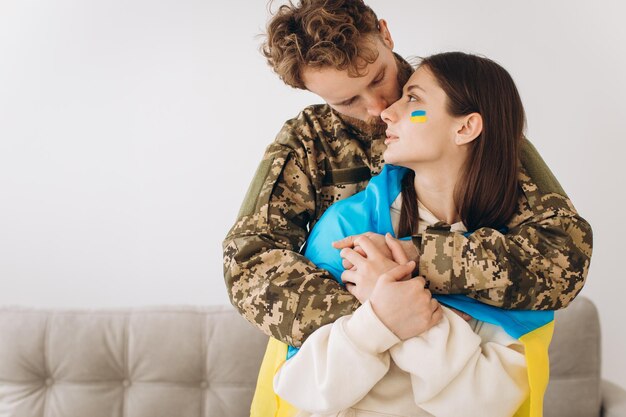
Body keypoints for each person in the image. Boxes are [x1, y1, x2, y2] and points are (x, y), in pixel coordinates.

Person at [222, 0, 592, 348]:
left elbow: (564, 257)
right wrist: (379, 317)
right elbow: (248, 262)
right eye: (348, 101)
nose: (378, 108)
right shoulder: (308, 142)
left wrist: (416, 260)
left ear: (385, 33)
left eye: (378, 77)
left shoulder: (461, 106)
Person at [264, 52, 555, 417]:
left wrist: (403, 306)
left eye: (413, 98)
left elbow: (488, 405)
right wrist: (380, 320)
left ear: (465, 128)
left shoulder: (516, 255)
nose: (385, 112)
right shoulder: (348, 229)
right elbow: (302, 390)